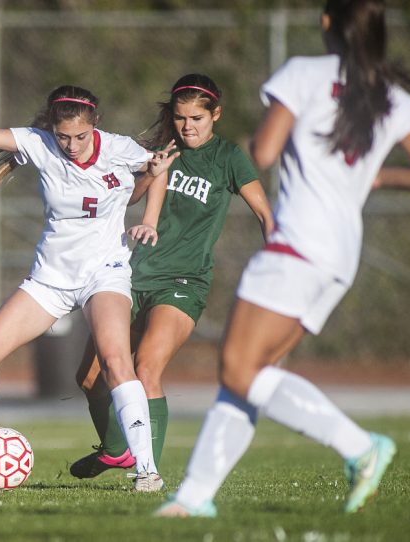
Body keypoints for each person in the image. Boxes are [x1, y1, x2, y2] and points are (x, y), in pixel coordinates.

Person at [155, 0, 410, 518]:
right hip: (340, 254)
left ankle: (360, 446)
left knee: (238, 366)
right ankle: (193, 499)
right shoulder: (393, 95)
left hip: (298, 243)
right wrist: (377, 176)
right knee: (250, 370)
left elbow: (263, 153)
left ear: (327, 23)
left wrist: (248, 141)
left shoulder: (304, 73)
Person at [0, 85, 176, 492]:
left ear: (96, 126)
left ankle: (147, 470)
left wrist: (151, 219)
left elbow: (157, 172)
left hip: (103, 274)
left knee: (115, 362)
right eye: (63, 136)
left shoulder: (119, 148)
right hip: (50, 279)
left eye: (80, 136)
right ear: (51, 129)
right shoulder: (38, 143)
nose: (71, 145)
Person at [69, 74, 274, 480]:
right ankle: (115, 450)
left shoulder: (229, 158)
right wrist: (152, 169)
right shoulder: (161, 151)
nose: (188, 126)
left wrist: (279, 270)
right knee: (90, 377)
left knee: (145, 368)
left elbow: (266, 215)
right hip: (130, 275)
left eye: (197, 117)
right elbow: (126, 197)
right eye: (180, 118)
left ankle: (148, 472)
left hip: (183, 281)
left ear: (216, 115)